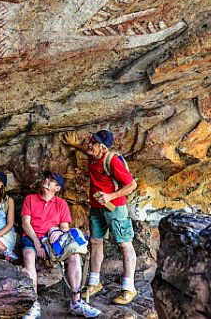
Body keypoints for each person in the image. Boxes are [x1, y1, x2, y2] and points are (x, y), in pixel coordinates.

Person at [62, 130, 139, 305]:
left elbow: (132, 184)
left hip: (115, 207)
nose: (89, 144)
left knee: (124, 244)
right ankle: (94, 283)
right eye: (91, 140)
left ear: (103, 147)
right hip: (97, 207)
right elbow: (86, 150)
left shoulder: (112, 160)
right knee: (96, 241)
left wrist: (110, 196)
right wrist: (74, 145)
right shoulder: (94, 155)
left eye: (94, 143)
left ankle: (129, 288)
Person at [21, 171, 101, 319]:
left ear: (57, 188)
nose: (46, 180)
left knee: (75, 256)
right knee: (29, 256)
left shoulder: (61, 203)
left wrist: (58, 231)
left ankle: (76, 303)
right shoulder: (30, 199)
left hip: (52, 239)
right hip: (32, 237)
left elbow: (64, 228)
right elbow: (26, 224)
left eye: (51, 180)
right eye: (47, 178)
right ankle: (33, 304)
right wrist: (37, 244)